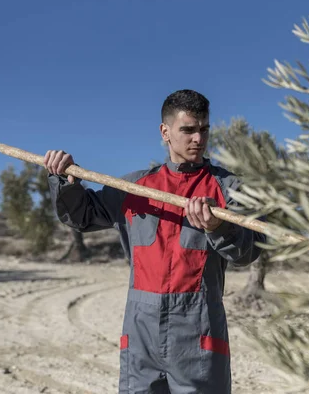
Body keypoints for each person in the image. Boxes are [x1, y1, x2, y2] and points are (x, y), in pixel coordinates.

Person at [44, 89, 265, 394]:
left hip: (199, 335)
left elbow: (249, 251)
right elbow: (82, 216)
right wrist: (64, 179)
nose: (198, 139)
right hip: (140, 336)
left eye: (204, 130)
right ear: (165, 132)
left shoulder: (227, 189)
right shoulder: (133, 187)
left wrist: (218, 228)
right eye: (188, 130)